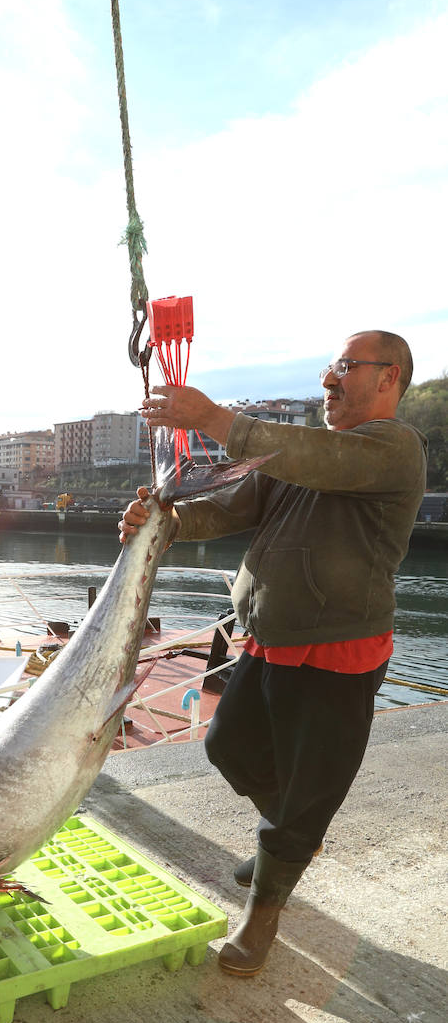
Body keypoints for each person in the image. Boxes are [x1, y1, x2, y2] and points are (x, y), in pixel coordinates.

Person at [119, 330, 426, 978]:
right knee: (227, 748)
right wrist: (165, 522)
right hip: (267, 638)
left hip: (337, 655)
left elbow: (311, 457)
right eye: (329, 368)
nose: (328, 381)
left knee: (308, 790)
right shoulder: (302, 460)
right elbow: (234, 504)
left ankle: (265, 910)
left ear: (389, 378)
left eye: (345, 367)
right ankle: (292, 836)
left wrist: (208, 416)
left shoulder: (392, 451)